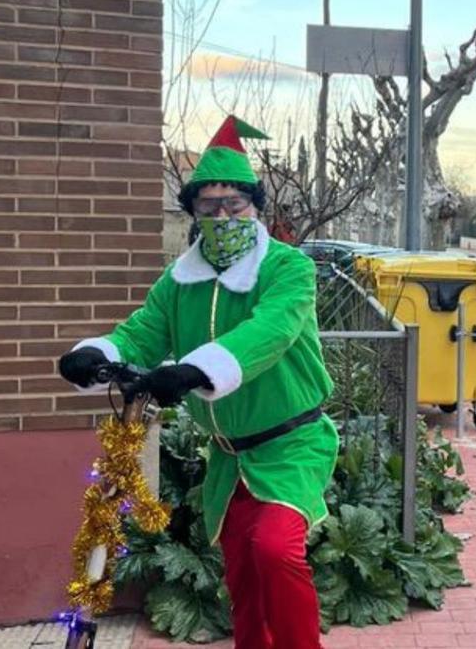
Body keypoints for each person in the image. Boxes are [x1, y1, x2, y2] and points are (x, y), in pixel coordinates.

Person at [58, 116, 335, 649]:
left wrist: (194, 370)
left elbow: (269, 331)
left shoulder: (288, 269)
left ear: (255, 206)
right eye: (209, 207)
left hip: (293, 443)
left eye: (235, 205)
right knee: (241, 573)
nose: (224, 216)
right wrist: (97, 354)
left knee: (275, 549)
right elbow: (143, 333)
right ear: (192, 213)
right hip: (228, 455)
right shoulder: (179, 280)